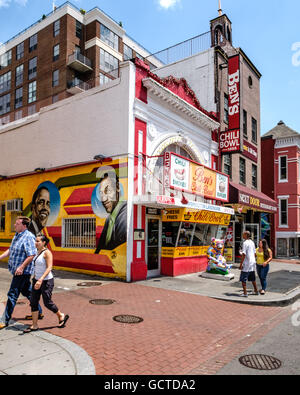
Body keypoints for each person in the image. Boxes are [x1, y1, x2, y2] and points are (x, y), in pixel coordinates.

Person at [0, 217, 43, 330]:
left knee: (12, 294)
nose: (15, 225)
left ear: (24, 226)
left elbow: (31, 255)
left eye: (17, 223)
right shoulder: (17, 235)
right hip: (16, 270)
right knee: (28, 292)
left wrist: (22, 267)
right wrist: (1, 257)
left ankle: (5, 320)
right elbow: (11, 249)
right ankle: (39, 312)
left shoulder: (28, 237)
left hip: (22, 272)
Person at [23, 235, 69, 333]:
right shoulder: (36, 252)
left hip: (46, 281)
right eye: (35, 241)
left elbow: (49, 267)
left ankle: (60, 315)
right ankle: (34, 325)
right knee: (33, 302)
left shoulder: (47, 253)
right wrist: (35, 279)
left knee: (47, 302)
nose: (35, 243)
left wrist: (41, 280)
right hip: (36, 280)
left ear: (43, 242)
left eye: (38, 241)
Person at [95, 172, 127, 254]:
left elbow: (116, 248)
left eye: (108, 191)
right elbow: (100, 248)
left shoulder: (125, 213)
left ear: (118, 188)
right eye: (101, 193)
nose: (104, 199)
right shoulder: (109, 219)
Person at [239, 231, 259, 297]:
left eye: (243, 234)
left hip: (247, 263)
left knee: (243, 278)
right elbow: (255, 253)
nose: (242, 235)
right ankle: (256, 290)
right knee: (252, 277)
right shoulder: (252, 242)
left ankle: (245, 293)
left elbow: (244, 254)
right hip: (252, 262)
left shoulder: (245, 243)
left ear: (246, 235)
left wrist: (241, 264)